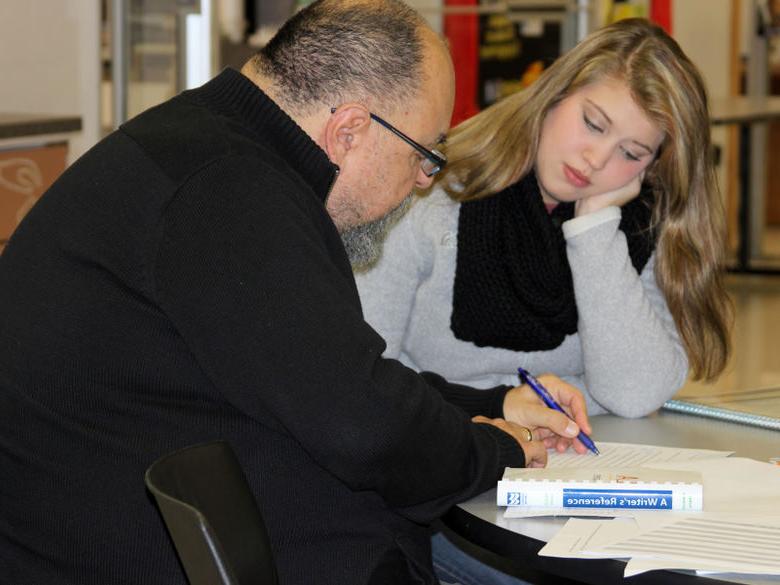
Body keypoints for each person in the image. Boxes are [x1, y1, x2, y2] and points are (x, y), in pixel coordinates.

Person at [0, 1, 592, 584]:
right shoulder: (230, 191)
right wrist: (497, 451)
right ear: (349, 130)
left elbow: (328, 377)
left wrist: (487, 405)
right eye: (424, 154)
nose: (420, 180)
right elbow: (363, 429)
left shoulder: (202, 149)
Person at [354, 17, 732, 584]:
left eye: (631, 152)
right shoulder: (431, 193)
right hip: (438, 506)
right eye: (592, 123)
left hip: (571, 500)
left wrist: (594, 231)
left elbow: (633, 394)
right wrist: (496, 407)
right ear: (555, 93)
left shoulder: (631, 225)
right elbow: (364, 377)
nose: (598, 161)